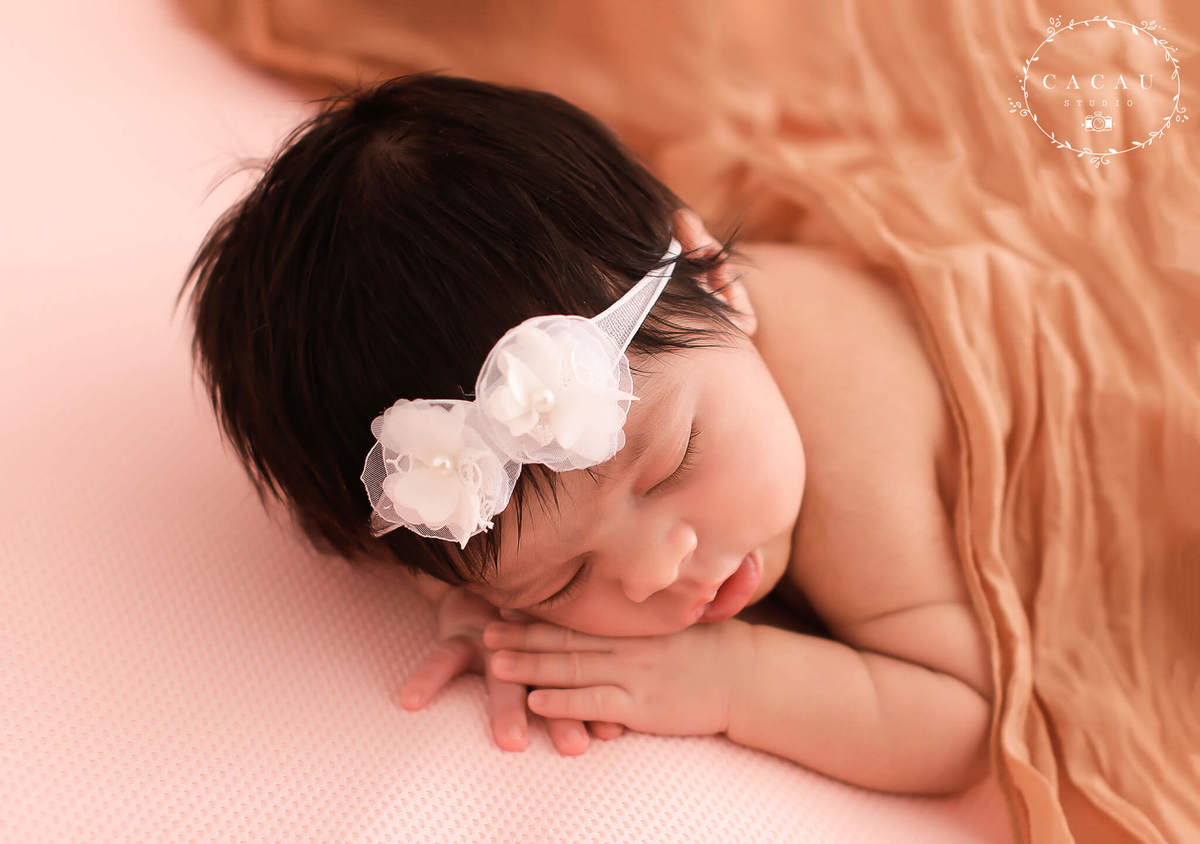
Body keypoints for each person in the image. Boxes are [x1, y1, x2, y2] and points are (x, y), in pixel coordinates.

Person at [178, 71, 993, 795]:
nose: (653, 574)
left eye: (672, 466)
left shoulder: (854, 433)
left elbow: (959, 722)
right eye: (561, 581)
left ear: (718, 280)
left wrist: (730, 680)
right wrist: (489, 618)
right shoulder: (671, 404)